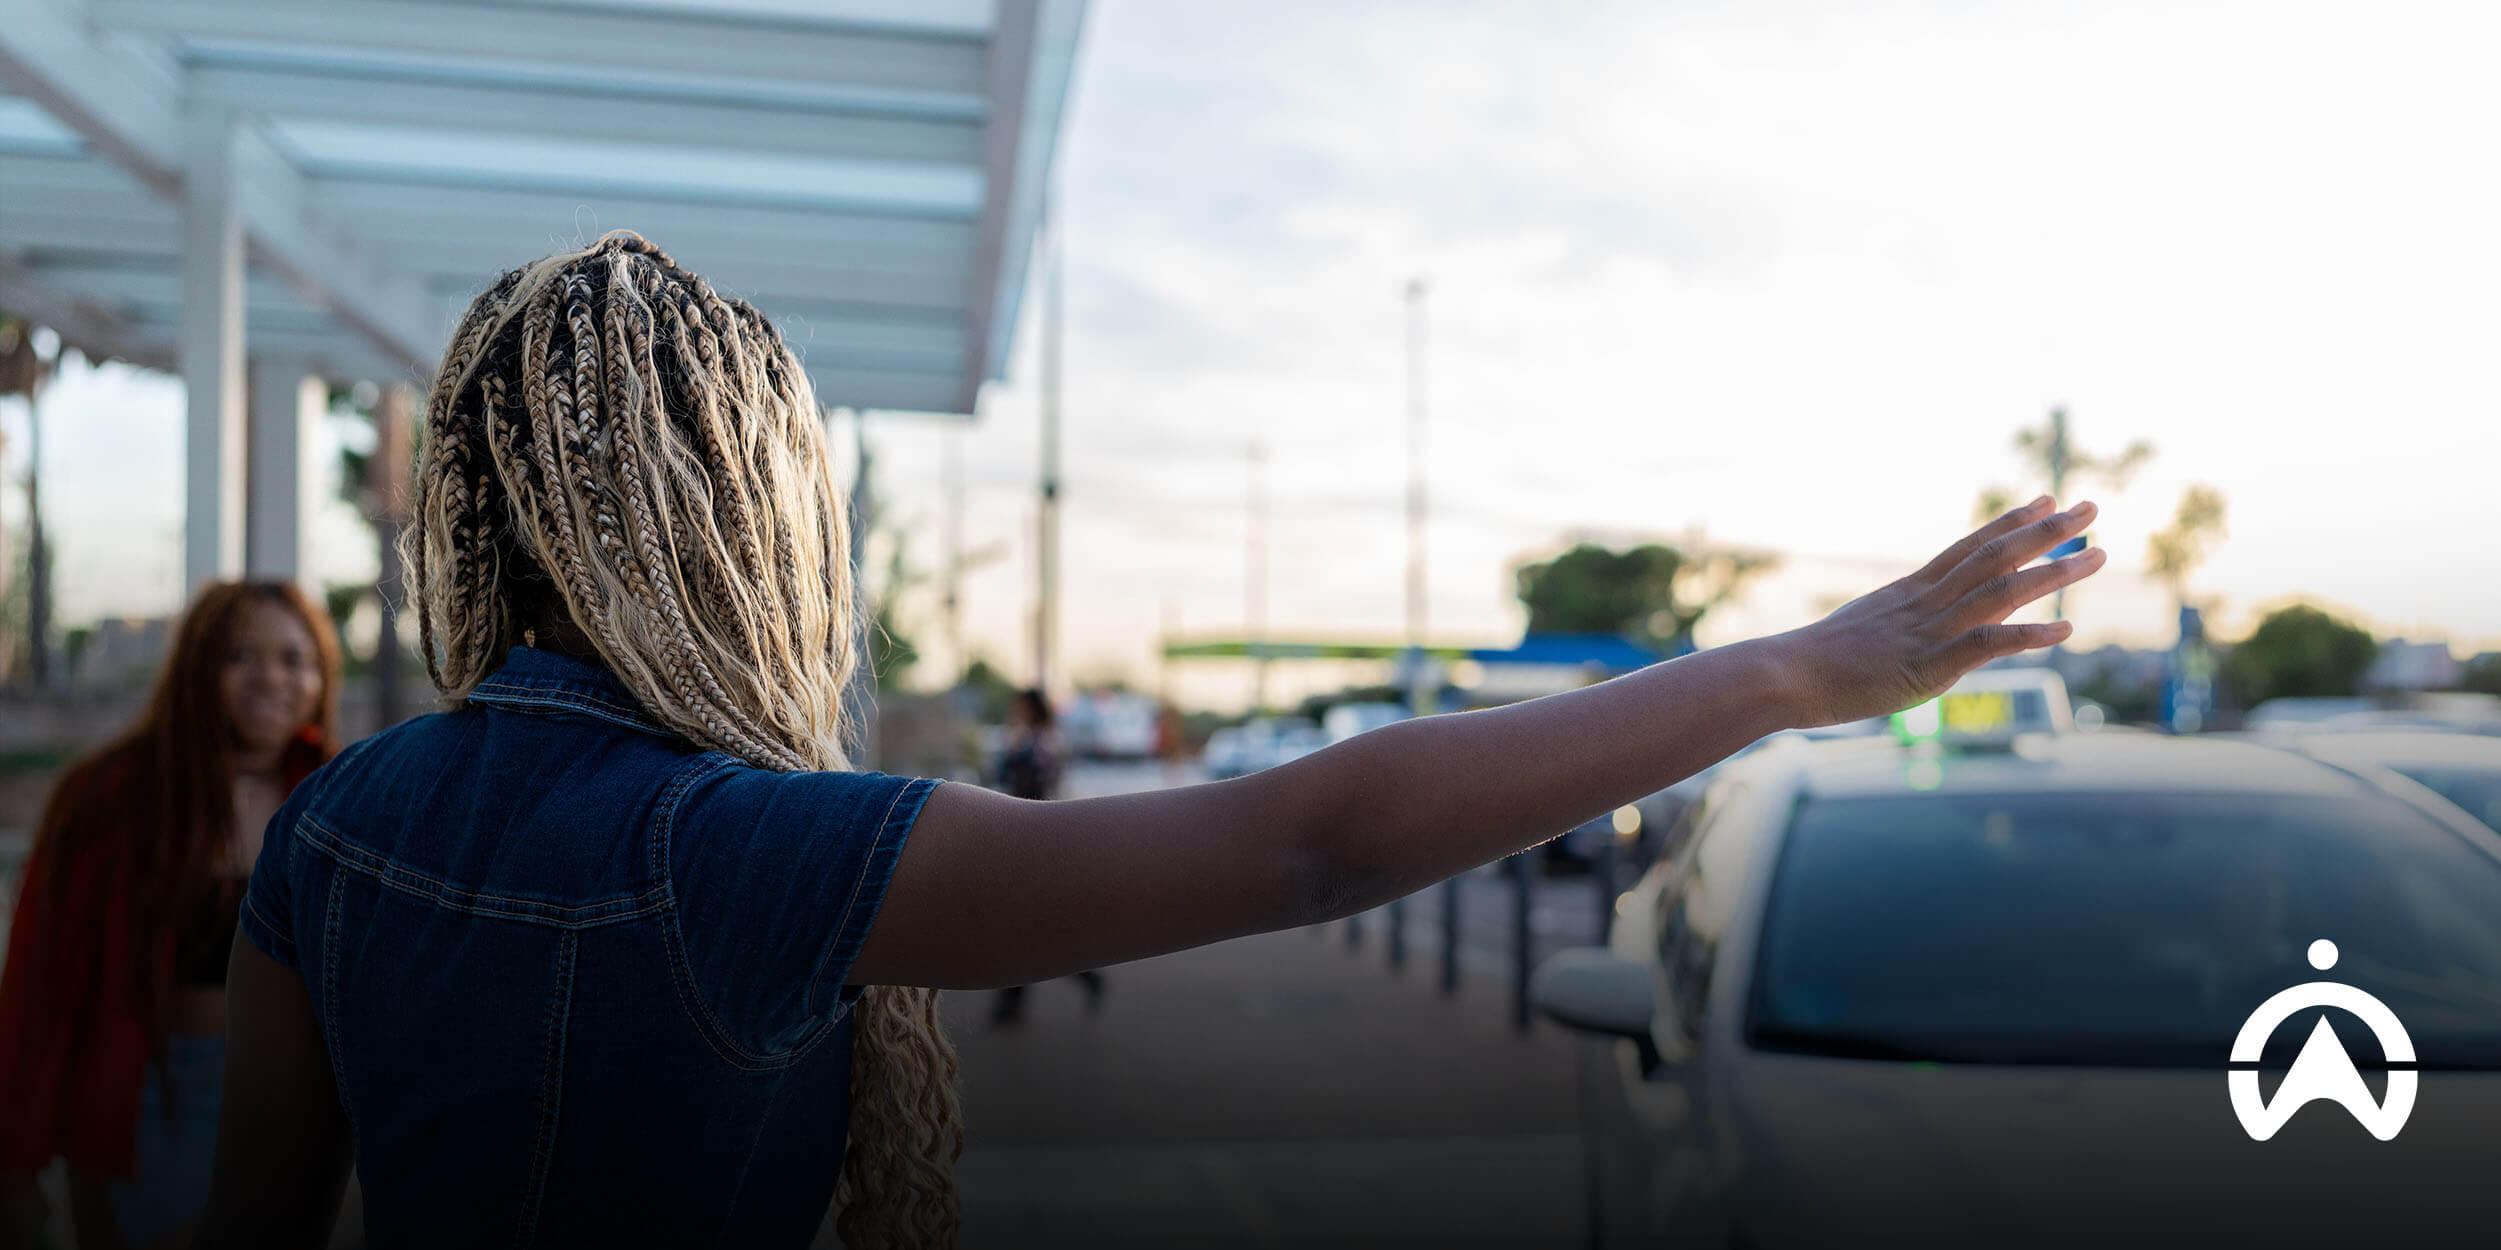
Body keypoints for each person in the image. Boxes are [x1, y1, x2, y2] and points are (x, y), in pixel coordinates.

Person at [198, 232, 2103, 1249]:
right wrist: (1789, 671)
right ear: (743, 516)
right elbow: (1311, 844)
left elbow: (256, 1220)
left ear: (476, 502)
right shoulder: (732, 846)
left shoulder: (336, 828)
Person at [0, 581, 340, 1249]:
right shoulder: (108, 796)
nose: (272, 677)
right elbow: (40, 983)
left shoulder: (340, 799)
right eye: (241, 655)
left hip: (288, 1099)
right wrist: (14, 1160)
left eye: (294, 659)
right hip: (146, 1091)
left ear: (321, 676)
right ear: (196, 665)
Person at [985, 690, 1103, 1023]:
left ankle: (1017, 1002)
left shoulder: (1043, 742)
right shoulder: (1026, 738)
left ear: (1032, 709)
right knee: (1027, 926)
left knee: (1024, 925)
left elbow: (1042, 784)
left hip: (1034, 838)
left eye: (1020, 705)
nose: (1015, 710)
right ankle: (1078, 979)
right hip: (1022, 834)